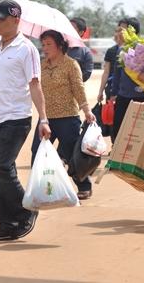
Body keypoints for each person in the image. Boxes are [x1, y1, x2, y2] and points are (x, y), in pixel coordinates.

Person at [0, 0, 51, 241]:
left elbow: (35, 85)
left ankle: (26, 211)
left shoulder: (27, 49)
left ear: (16, 20)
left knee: (0, 165)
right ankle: (6, 224)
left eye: (1, 18)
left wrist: (43, 119)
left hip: (17, 119)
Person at [30, 30, 96, 200]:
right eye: (43, 44)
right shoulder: (40, 65)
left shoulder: (71, 64)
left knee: (72, 156)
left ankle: (84, 186)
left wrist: (87, 110)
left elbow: (78, 89)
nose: (44, 48)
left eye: (48, 44)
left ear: (60, 45)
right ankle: (38, 188)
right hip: (46, 119)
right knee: (37, 152)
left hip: (68, 118)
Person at [110, 17, 144, 141]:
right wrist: (113, 93)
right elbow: (117, 73)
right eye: (119, 30)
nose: (119, 33)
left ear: (133, 31)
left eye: (123, 30)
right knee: (119, 128)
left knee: (141, 131)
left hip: (142, 96)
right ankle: (117, 152)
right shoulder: (121, 50)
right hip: (123, 96)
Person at [67, 17, 94, 82]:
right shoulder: (59, 48)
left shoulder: (86, 52)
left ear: (81, 33)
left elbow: (87, 74)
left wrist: (68, 80)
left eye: (72, 28)